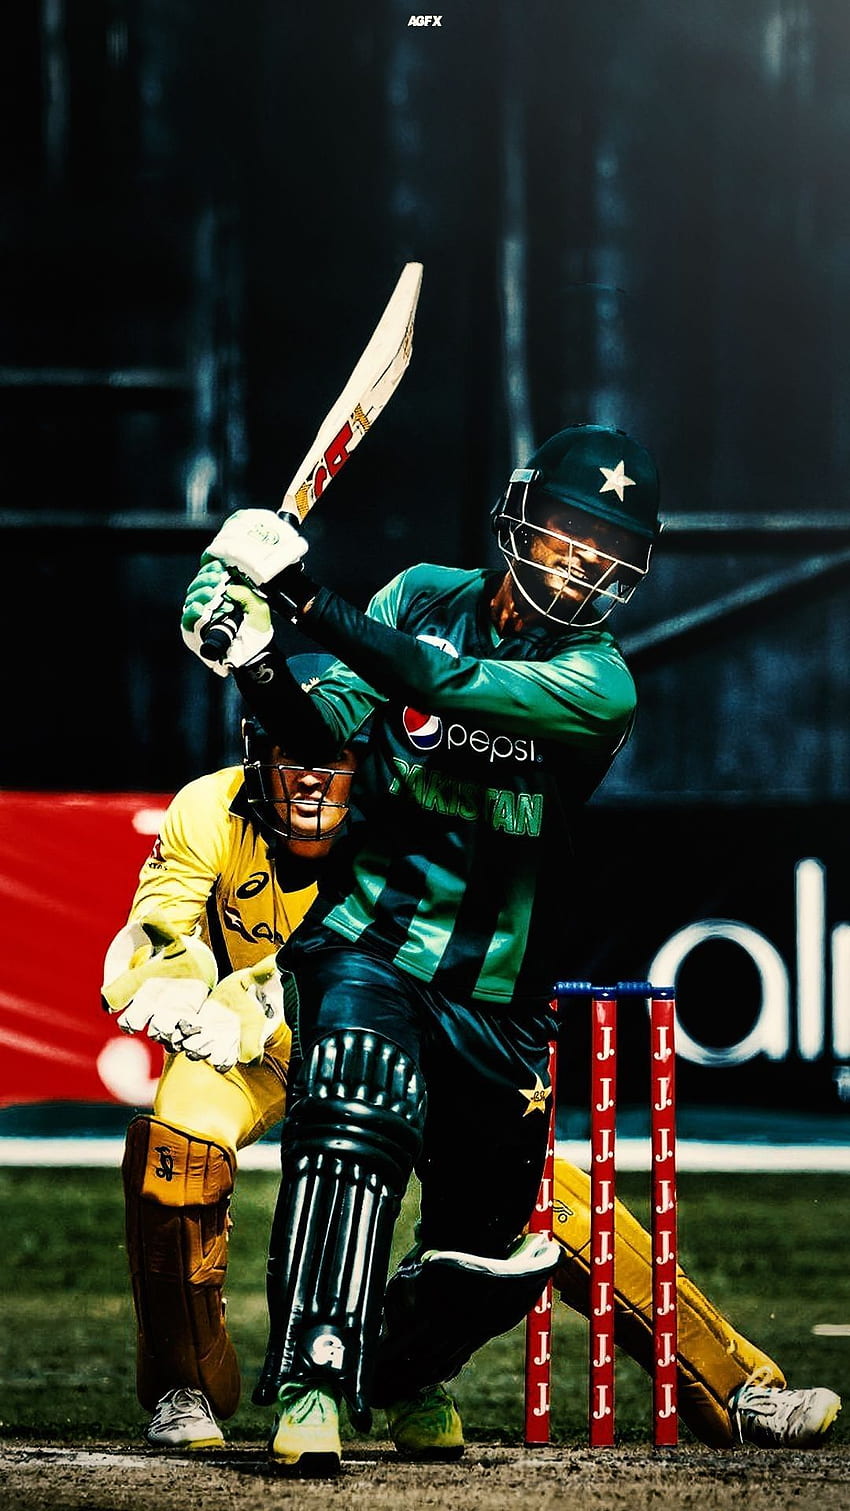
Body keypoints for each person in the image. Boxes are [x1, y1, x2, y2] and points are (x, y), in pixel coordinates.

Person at [180, 424, 840, 1471]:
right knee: (354, 1106)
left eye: (606, 551)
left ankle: (402, 1374)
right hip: (371, 941)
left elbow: (437, 687)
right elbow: (324, 737)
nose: (580, 562)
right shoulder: (417, 594)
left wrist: (302, 601)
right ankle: (312, 1375)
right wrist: (255, 660)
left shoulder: (597, 681)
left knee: (490, 1248)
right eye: (570, 532)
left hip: (505, 984)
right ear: (520, 518)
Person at [100, 653, 360, 1451]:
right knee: (173, 1153)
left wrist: (249, 1004)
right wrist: (170, 987)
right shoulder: (209, 806)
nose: (313, 779)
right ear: (261, 754)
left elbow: (345, 957)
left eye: (333, 759)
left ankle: (729, 1378)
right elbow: (162, 919)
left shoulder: (399, 819)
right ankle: (186, 1382)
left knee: (501, 1170)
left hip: (369, 1038)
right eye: (294, 756)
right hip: (248, 1050)